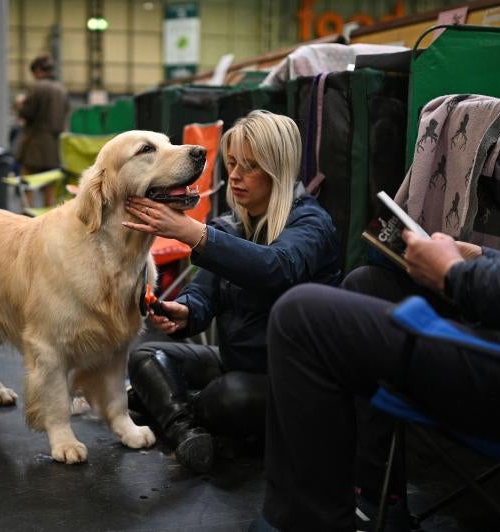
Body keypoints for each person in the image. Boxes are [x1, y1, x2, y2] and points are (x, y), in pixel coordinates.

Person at [251, 1, 500, 530]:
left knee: (300, 316)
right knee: (368, 283)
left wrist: (455, 274)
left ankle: (307, 522)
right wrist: (481, 257)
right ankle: (377, 497)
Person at [122, 110, 341, 473]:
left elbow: (274, 268)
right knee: (146, 355)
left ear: (279, 170)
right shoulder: (232, 223)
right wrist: (185, 311)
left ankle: (166, 408)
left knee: (230, 395)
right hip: (235, 361)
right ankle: (186, 430)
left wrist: (191, 232)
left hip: (292, 381)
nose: (235, 176)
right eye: (232, 163)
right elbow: (204, 294)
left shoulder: (311, 224)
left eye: (249, 166)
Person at [16, 54, 69, 208]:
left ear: (38, 70)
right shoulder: (62, 90)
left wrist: (19, 104)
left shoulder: (37, 87)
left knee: (27, 184)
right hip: (54, 146)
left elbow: (27, 113)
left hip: (34, 145)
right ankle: (49, 219)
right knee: (49, 189)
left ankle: (25, 217)